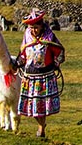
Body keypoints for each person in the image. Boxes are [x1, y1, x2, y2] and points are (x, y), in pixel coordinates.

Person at [15, 9, 65, 138]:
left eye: (36, 27)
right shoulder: (27, 37)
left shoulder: (50, 37)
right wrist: (16, 64)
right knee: (34, 107)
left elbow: (59, 52)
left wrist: (57, 63)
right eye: (31, 27)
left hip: (45, 77)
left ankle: (41, 127)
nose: (33, 30)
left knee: (41, 107)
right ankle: (41, 126)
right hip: (30, 78)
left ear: (42, 26)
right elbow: (23, 55)